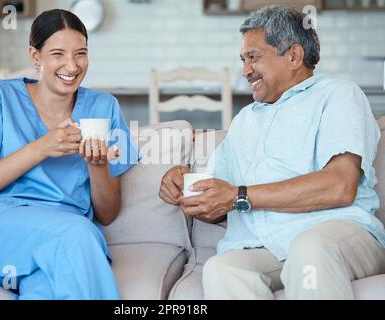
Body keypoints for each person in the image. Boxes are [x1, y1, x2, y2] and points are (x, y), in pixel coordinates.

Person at [159, 5, 385, 300]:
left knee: (309, 250)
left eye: (253, 57)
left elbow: (340, 186)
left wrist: (238, 196)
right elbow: (220, 199)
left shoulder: (338, 95)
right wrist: (186, 186)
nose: (245, 70)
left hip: (334, 232)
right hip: (262, 245)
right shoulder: (244, 120)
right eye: (243, 60)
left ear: (293, 56)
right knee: (222, 268)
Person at [0, 9, 139, 300]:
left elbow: (107, 214)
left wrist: (97, 166)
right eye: (58, 53)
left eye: (80, 53)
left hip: (64, 234)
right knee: (77, 236)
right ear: (35, 56)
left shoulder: (104, 107)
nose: (72, 65)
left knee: (47, 288)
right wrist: (41, 147)